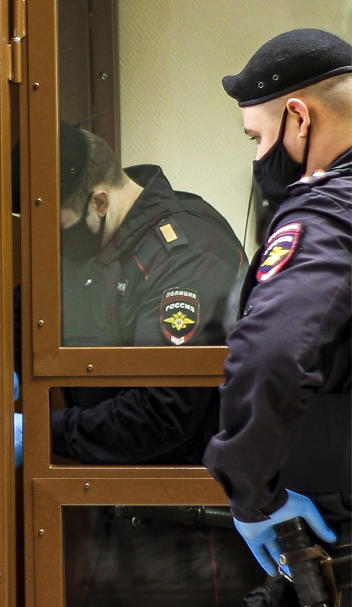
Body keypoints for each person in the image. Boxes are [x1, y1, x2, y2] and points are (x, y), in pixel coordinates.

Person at [19, 122, 264, 603]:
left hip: (188, 534)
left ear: (99, 200)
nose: (59, 245)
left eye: (63, 227)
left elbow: (166, 411)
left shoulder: (185, 255)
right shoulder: (110, 248)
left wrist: (40, 432)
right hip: (122, 518)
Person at [203, 28, 351, 606]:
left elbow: (270, 353)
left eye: (258, 138)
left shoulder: (329, 214)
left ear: (299, 117)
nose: (258, 158)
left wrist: (254, 496)